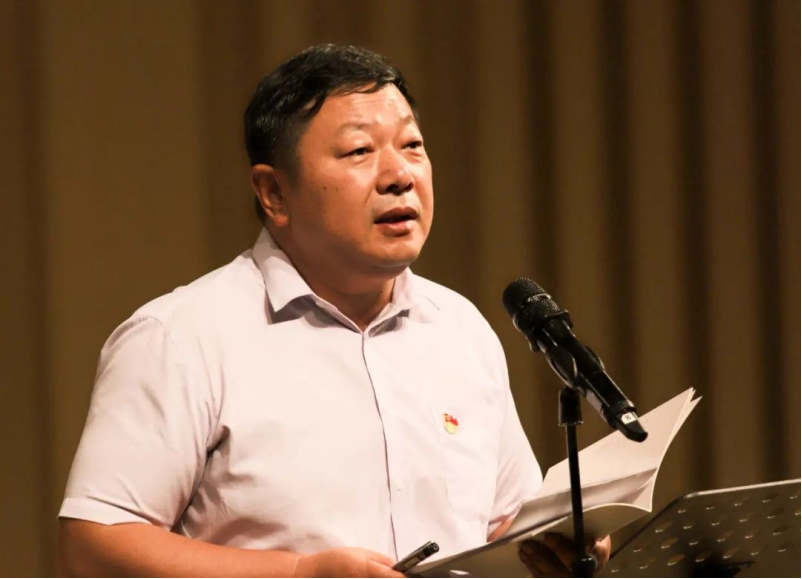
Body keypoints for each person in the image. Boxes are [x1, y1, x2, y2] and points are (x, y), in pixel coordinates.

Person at [57, 44, 610, 578]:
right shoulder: (181, 337)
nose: (399, 175)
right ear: (274, 193)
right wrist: (297, 574)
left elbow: (499, 524)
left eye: (412, 145)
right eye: (359, 152)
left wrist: (555, 544)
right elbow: (96, 545)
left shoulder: (459, 328)